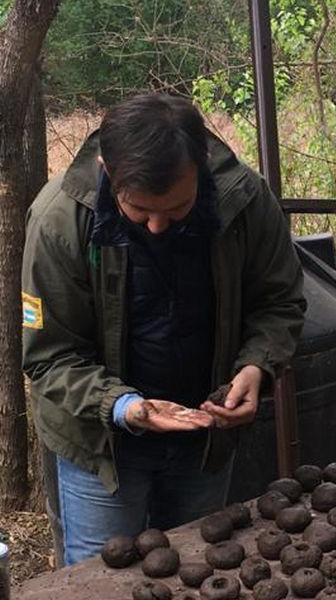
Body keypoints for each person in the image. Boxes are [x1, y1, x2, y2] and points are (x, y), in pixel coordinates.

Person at [22, 93, 305, 565]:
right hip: (101, 445)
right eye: (139, 211)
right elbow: (50, 357)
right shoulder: (60, 221)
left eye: (176, 211)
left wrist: (257, 366)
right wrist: (124, 405)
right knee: (102, 587)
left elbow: (279, 302)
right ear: (106, 169)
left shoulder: (245, 202)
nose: (156, 227)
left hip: (203, 435)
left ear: (201, 169)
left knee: (194, 570)